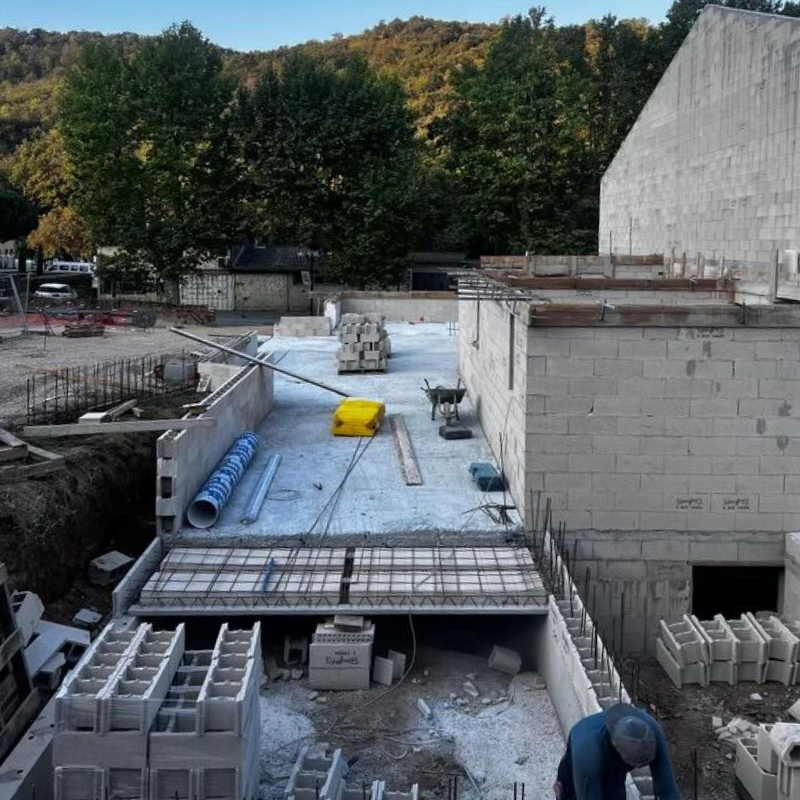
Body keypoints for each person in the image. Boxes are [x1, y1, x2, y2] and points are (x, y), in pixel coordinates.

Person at [554, 703, 683, 800]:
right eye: (634, 764)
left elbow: (668, 788)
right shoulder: (587, 753)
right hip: (578, 777)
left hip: (614, 773)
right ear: (616, 746)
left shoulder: (653, 732)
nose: (637, 768)